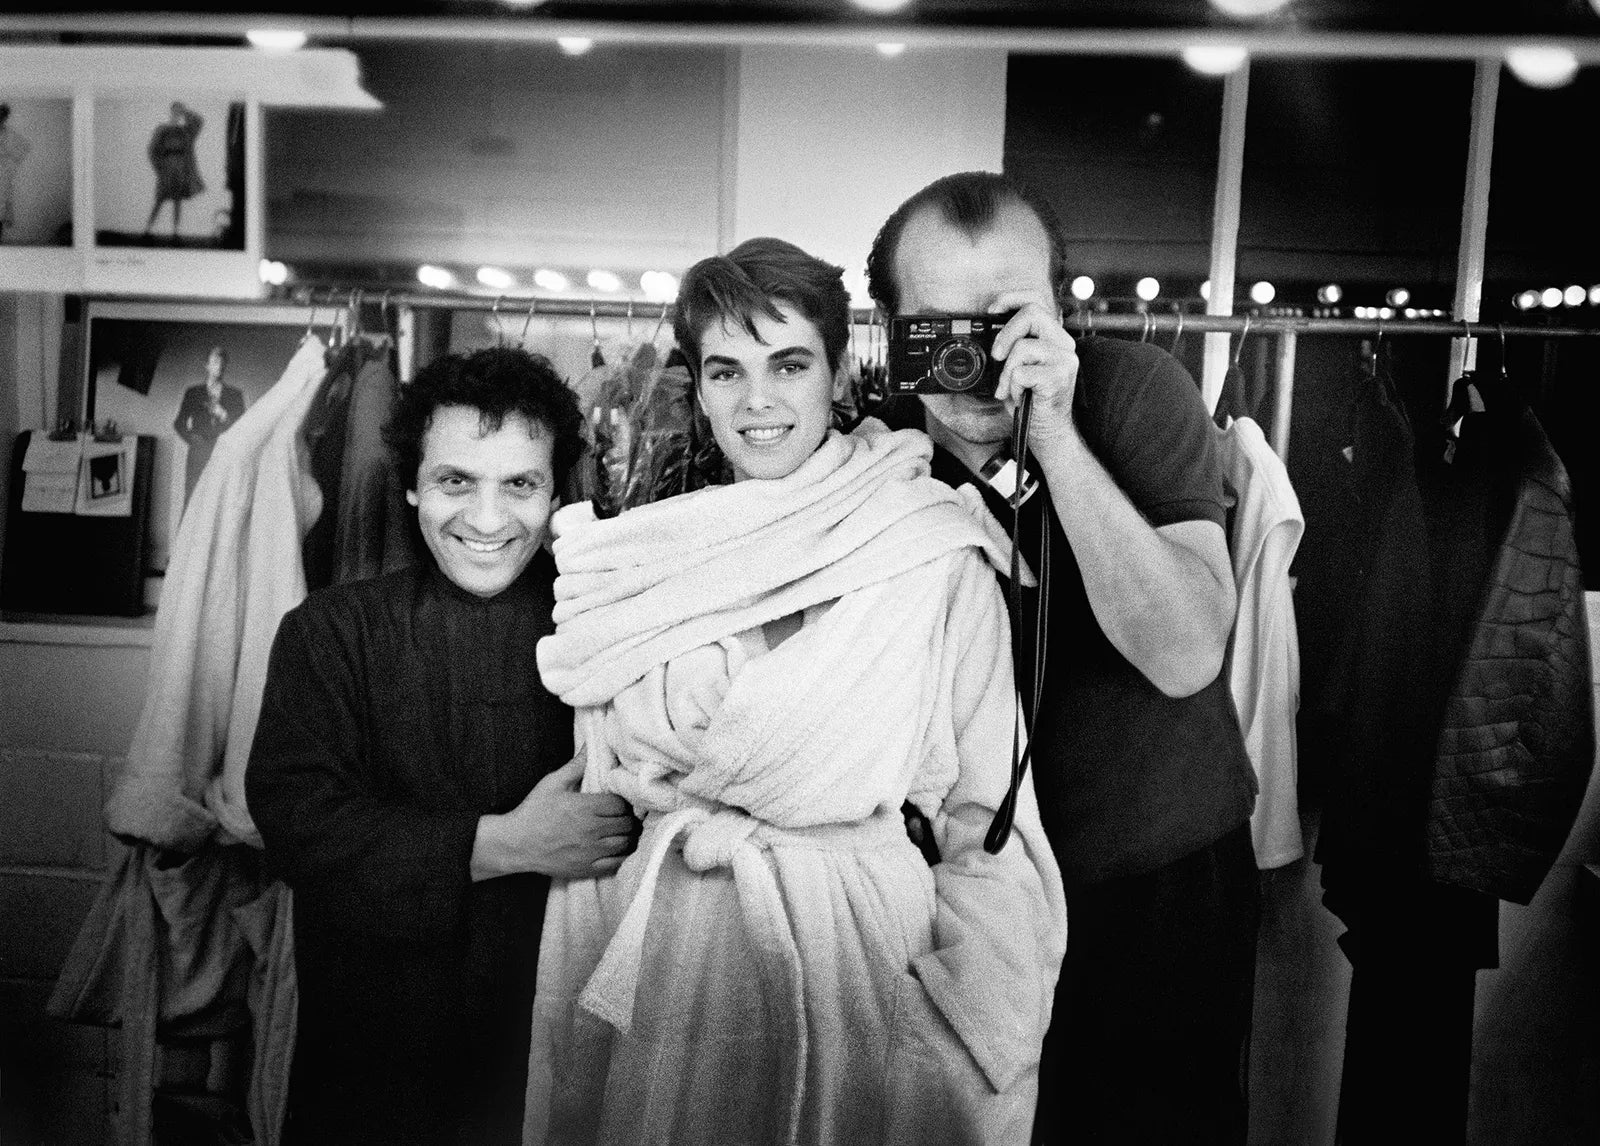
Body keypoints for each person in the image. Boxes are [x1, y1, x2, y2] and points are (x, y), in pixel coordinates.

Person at [527, 237, 1066, 1145]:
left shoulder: (929, 546)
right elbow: (603, 804)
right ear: (696, 391)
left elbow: (991, 822)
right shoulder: (645, 558)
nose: (759, 401)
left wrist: (959, 1031)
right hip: (672, 973)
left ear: (837, 370)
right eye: (726, 371)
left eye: (789, 364)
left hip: (859, 973)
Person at [866, 171, 1260, 1145]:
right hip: (969, 892)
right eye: (936, 327)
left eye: (1002, 319)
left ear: (1055, 311)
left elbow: (1184, 652)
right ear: (887, 327)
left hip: (1156, 882)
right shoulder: (877, 452)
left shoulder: (1134, 392)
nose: (971, 360)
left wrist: (1057, 433)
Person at [246, 347, 640, 1146]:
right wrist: (504, 844)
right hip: (369, 1076)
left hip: (548, 1065)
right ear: (412, 486)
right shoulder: (328, 634)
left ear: (556, 494)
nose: (488, 520)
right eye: (457, 481)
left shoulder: (607, 639)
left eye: (520, 485)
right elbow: (299, 828)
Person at [172, 345, 246, 506]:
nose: (218, 366)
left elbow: (243, 428)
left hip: (224, 452)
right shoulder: (193, 393)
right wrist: (193, 440)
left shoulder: (235, 395)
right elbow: (179, 423)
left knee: (222, 498)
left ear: (225, 366)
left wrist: (224, 415)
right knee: (193, 497)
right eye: (214, 362)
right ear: (207, 365)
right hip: (199, 452)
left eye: (222, 362)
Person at [144, 100, 205, 239]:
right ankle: (147, 229)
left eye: (179, 111)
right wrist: (158, 168)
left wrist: (186, 111)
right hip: (166, 167)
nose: (177, 114)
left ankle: (176, 233)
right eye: (175, 111)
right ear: (171, 112)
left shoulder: (185, 131)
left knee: (177, 200)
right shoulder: (162, 129)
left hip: (181, 167)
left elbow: (199, 121)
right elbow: (152, 150)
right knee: (160, 199)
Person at [0, 103, 31, 244]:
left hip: (2, 176)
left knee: (1, 207)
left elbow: (24, 148)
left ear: (6, 117)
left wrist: (8, 159)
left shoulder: (10, 134)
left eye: (3, 115)